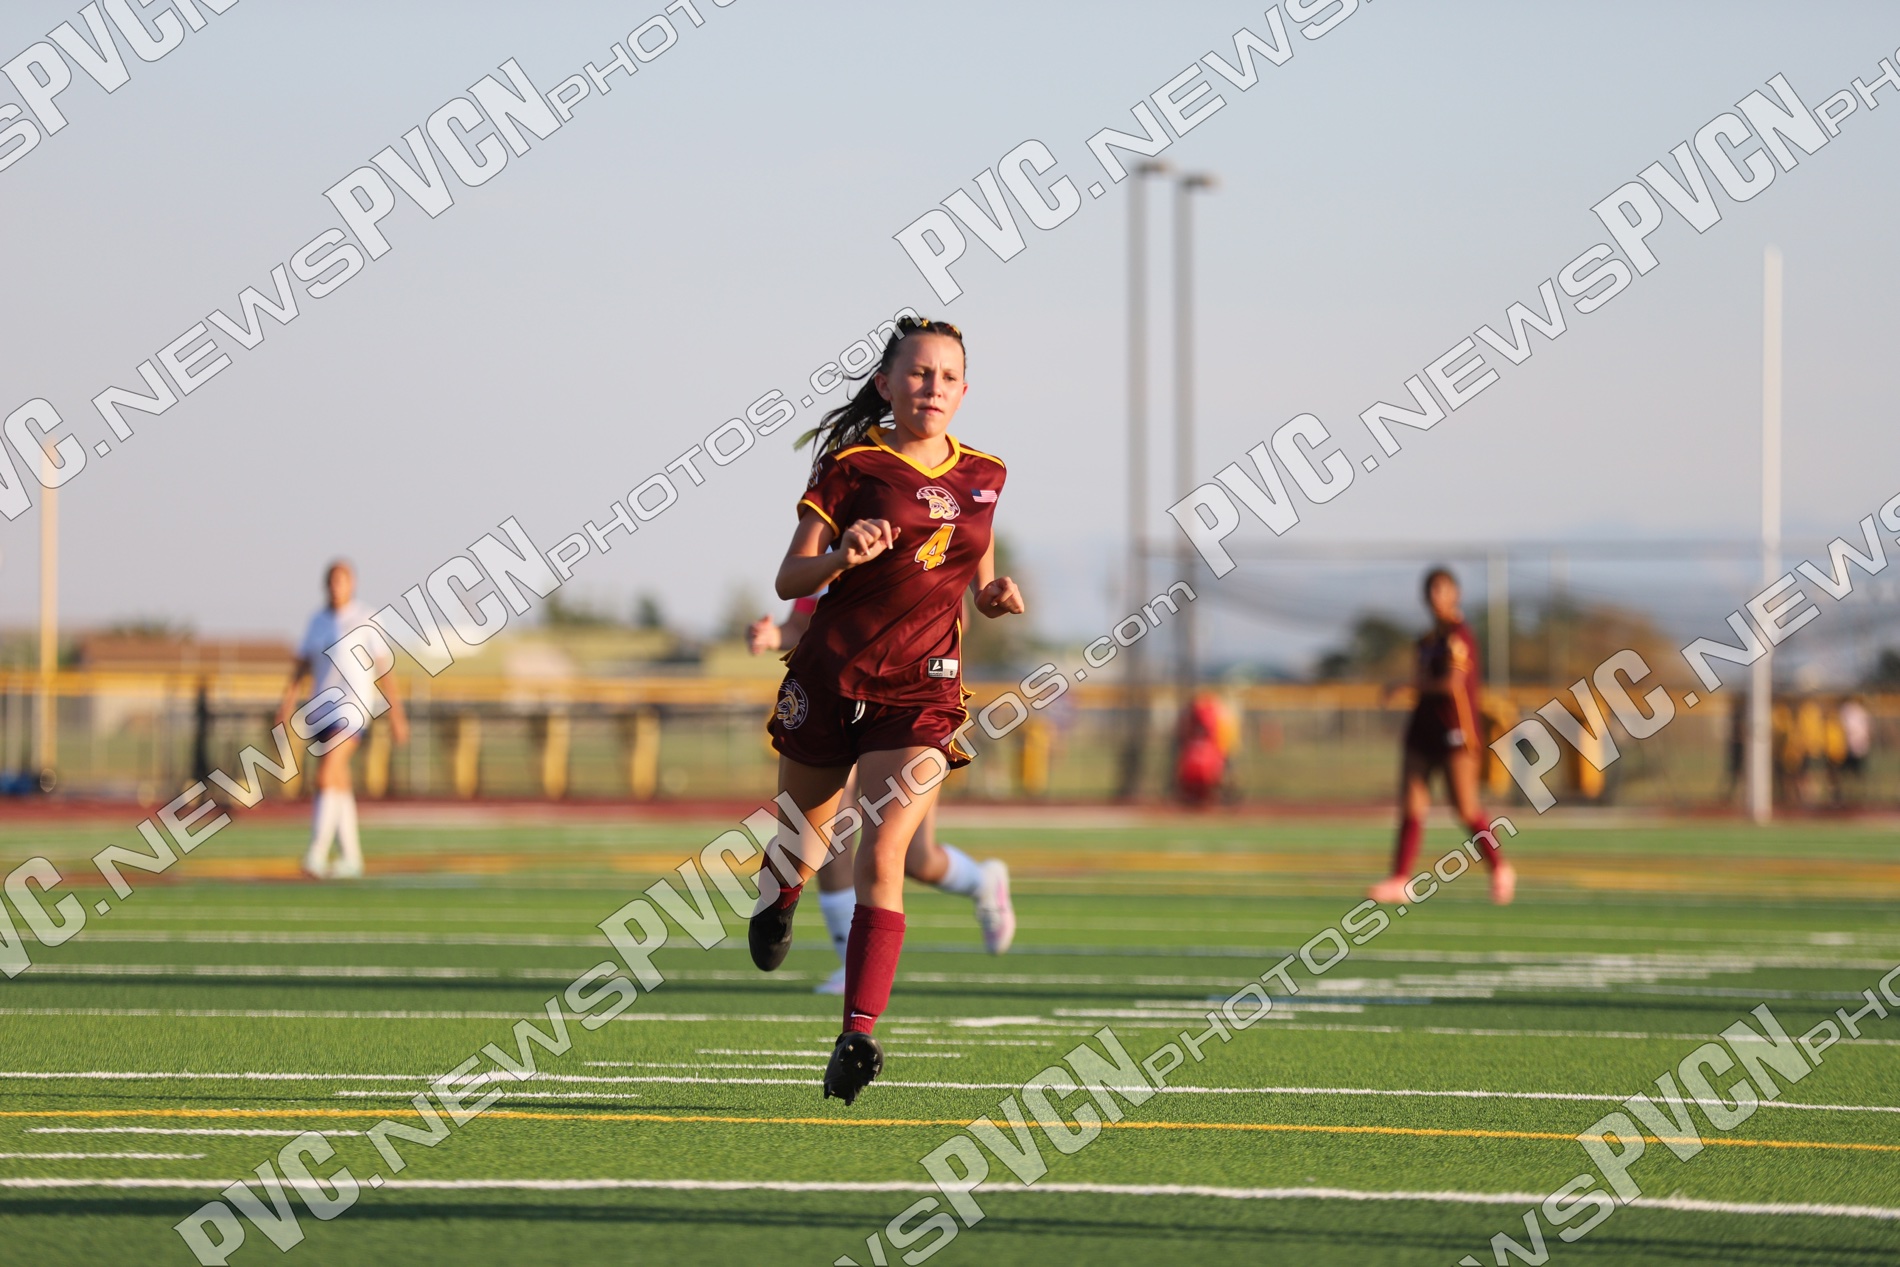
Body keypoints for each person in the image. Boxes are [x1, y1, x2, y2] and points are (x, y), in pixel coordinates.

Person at [749, 316, 1024, 1104]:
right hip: (832, 679)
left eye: (948, 376)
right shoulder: (852, 467)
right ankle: (780, 901)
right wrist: (841, 556)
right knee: (800, 845)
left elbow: (976, 571)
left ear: (964, 390)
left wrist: (993, 596)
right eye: (918, 372)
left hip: (923, 693)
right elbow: (789, 578)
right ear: (886, 383)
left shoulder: (988, 475)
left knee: (883, 851)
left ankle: (858, 1034)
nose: (933, 386)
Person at [749, 601, 1015, 995]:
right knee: (827, 840)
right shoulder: (830, 562)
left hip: (906, 706)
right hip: (836, 704)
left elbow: (958, 613)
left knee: (914, 858)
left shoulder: (924, 559)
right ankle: (850, 962)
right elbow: (800, 620)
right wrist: (774, 636)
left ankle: (982, 881)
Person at [1368, 568, 1515, 906]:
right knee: (1411, 804)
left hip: (1455, 730)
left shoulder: (1460, 636)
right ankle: (1400, 879)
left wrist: (1407, 686)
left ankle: (1500, 868)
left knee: (1465, 808)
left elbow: (1452, 684)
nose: (1436, 597)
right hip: (1423, 729)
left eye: (1442, 589)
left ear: (1455, 594)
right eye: (1431, 590)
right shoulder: (1426, 641)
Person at [276, 561, 408, 879]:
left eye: (342, 581)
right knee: (338, 781)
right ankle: (352, 858)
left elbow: (384, 669)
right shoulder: (317, 621)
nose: (337, 587)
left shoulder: (366, 617)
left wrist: (397, 713)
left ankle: (316, 854)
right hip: (322, 709)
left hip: (352, 709)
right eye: (332, 581)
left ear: (352, 584)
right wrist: (287, 703)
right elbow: (301, 667)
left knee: (325, 774)